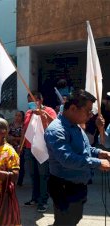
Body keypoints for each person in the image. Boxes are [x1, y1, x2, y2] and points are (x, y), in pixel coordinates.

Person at [45, 89, 110, 225]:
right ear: (73, 108)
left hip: (77, 184)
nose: (91, 115)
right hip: (64, 186)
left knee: (73, 219)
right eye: (88, 111)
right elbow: (67, 158)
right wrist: (98, 162)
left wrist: (99, 153)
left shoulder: (75, 126)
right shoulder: (57, 130)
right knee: (65, 222)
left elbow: (84, 149)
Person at [22, 91, 57, 213]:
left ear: (40, 100)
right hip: (29, 148)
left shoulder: (49, 110)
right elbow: (24, 129)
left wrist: (44, 115)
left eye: (32, 101)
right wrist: (21, 145)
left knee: (43, 176)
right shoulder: (28, 113)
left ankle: (43, 201)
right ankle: (35, 198)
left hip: (43, 148)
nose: (30, 104)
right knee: (33, 175)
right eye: (28, 101)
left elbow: (55, 125)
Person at [8, 111, 25, 186]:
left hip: (19, 147)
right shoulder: (10, 125)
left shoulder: (23, 126)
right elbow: (6, 135)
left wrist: (14, 139)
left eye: (19, 116)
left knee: (20, 164)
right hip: (10, 147)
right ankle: (11, 179)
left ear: (22, 117)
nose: (17, 117)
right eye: (16, 115)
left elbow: (23, 137)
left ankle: (19, 181)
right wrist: (10, 139)